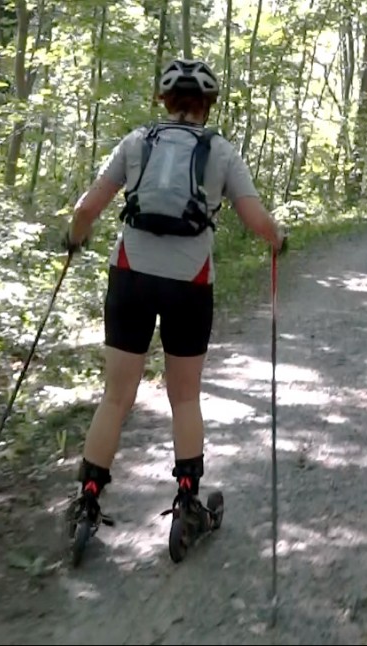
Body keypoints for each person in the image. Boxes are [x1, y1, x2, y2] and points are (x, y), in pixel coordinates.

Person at [63, 58, 286, 553]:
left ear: (164, 101)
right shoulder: (220, 151)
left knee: (115, 397)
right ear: (207, 106)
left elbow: (85, 209)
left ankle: (88, 499)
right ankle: (188, 504)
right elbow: (257, 219)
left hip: (130, 277)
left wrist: (74, 240)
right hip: (190, 282)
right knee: (184, 397)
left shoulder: (136, 142)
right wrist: (278, 240)